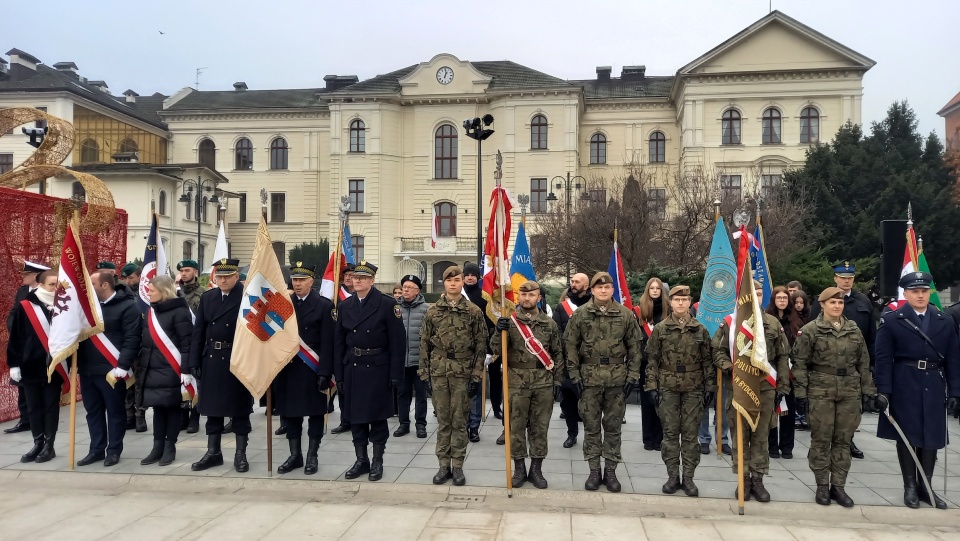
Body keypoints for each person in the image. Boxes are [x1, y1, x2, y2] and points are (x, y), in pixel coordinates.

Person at [875, 272, 959, 509]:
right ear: (906, 294)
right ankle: (910, 486)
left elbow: (953, 358)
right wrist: (884, 391)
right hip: (905, 382)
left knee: (931, 435)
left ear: (930, 292)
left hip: (934, 382)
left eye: (924, 291)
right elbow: (883, 359)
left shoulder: (944, 320)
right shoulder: (892, 320)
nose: (920, 295)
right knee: (908, 435)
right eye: (915, 291)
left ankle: (926, 486)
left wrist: (955, 392)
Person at [793, 287, 878, 507]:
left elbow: (864, 363)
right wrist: (801, 392)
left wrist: (868, 390)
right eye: (832, 303)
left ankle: (838, 486)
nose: (837, 306)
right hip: (821, 389)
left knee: (843, 440)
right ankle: (822, 485)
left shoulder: (853, 330)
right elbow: (800, 364)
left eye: (840, 303)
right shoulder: (811, 330)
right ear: (822, 305)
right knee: (821, 440)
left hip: (849, 390)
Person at [565, 272, 643, 492]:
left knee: (613, 428)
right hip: (588, 379)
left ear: (612, 290)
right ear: (592, 290)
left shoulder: (626, 315)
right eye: (599, 288)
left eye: (607, 287)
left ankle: (610, 471)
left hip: (617, 379)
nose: (603, 291)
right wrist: (574, 375)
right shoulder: (580, 315)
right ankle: (593, 471)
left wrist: (633, 375)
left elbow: (635, 348)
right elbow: (570, 346)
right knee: (591, 428)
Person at [714, 280, 791, 502]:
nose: (755, 298)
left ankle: (758, 479)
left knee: (761, 436)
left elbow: (782, 357)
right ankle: (743, 480)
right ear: (742, 298)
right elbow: (717, 351)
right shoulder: (730, 323)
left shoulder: (773, 323)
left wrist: (783, 386)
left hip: (766, 388)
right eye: (751, 294)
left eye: (759, 294)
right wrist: (730, 368)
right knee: (740, 434)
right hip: (739, 387)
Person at [333, 261, 405, 482]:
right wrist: (339, 374)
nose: (358, 281)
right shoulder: (344, 307)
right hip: (353, 366)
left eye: (363, 278)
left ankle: (377, 460)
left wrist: (396, 375)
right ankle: (361, 460)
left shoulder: (386, 304)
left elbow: (398, 342)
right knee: (356, 418)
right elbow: (339, 343)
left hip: (377, 368)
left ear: (372, 281)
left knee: (377, 418)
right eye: (355, 278)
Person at [492, 281, 564, 489]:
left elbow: (558, 354)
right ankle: (519, 468)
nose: (527, 298)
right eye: (523, 295)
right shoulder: (510, 322)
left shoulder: (549, 324)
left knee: (540, 428)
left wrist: (557, 380)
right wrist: (499, 330)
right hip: (516, 383)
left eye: (531, 295)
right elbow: (496, 349)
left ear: (538, 297)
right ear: (518, 297)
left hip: (543, 383)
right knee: (515, 428)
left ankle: (536, 469)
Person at [420, 265, 488, 486]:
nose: (453, 283)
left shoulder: (473, 311)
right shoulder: (433, 311)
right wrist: (425, 375)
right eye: (449, 280)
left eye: (457, 280)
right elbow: (424, 343)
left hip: (463, 371)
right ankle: (443, 466)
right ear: (444, 283)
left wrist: (476, 375)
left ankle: (457, 466)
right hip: (439, 371)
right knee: (443, 421)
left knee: (459, 421)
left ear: (462, 283)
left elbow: (481, 344)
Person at [645, 285, 715, 497]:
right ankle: (672, 476)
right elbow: (652, 361)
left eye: (684, 300)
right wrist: (651, 386)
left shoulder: (700, 329)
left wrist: (710, 386)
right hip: (668, 388)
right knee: (670, 434)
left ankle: (689, 478)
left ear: (689, 301)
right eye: (677, 300)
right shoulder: (661, 329)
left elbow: (707, 362)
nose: (681, 303)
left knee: (691, 435)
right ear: (671, 303)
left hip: (693, 389)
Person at [189, 258, 253, 473]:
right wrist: (194, 361)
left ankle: (240, 454)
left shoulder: (247, 298)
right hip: (212, 359)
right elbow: (199, 332)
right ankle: (213, 452)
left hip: (238, 358)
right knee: (212, 409)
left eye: (227, 276)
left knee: (240, 409)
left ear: (237, 277)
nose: (223, 280)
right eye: (219, 277)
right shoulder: (209, 298)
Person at [809, 262, 878, 460]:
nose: (847, 280)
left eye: (850, 277)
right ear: (835, 278)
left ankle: (847, 441)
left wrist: (871, 364)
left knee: (849, 412)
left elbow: (871, 335)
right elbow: (812, 331)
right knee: (826, 416)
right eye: (843, 277)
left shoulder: (863, 301)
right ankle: (827, 445)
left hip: (854, 365)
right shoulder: (822, 300)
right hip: (827, 366)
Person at [75, 270, 141, 467]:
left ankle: (113, 450)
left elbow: (132, 339)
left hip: (112, 370)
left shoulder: (128, 306)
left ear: (105, 285)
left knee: (114, 411)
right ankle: (96, 449)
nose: (89, 288)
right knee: (92, 411)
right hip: (87, 369)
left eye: (92, 284)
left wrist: (123, 365)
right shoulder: (87, 307)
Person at [275, 263, 334, 475]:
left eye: (302, 280)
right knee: (290, 414)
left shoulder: (324, 306)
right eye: (295, 280)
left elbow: (329, 343)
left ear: (312, 281)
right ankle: (295, 455)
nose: (297, 284)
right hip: (288, 369)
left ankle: (312, 455)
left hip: (312, 368)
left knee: (316, 414)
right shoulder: (284, 304)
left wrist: (325, 372)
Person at [6, 269, 64, 462]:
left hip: (54, 365)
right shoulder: (26, 305)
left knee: (50, 406)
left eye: (58, 285)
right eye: (51, 284)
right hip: (30, 364)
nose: (55, 288)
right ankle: (37, 443)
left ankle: (49, 445)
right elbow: (16, 336)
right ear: (41, 284)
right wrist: (14, 364)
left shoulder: (65, 306)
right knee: (33, 407)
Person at [139, 275, 194, 467]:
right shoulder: (151, 311)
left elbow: (187, 344)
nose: (148, 293)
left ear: (163, 292)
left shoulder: (180, 312)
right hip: (152, 368)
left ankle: (170, 446)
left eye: (152, 290)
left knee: (171, 408)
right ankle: (157, 446)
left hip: (172, 368)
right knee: (157, 408)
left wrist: (186, 371)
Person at [4, 260, 49, 435]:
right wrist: (13, 328)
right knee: (21, 383)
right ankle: (25, 420)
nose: (23, 277)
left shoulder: (47, 293)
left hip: (39, 345)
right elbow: (14, 313)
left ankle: (41, 420)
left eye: (26, 274)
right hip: (22, 344)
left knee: (37, 386)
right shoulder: (22, 292)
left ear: (36, 276)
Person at [552, 272, 591, 449]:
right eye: (572, 281)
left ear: (586, 286)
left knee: (590, 402)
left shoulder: (594, 305)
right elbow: (557, 334)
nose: (573, 284)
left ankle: (592, 435)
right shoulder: (562, 308)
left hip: (590, 363)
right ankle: (572, 433)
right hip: (569, 362)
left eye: (577, 282)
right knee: (568, 401)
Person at [765, 285, 802, 459]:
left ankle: (786, 446)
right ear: (773, 300)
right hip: (771, 369)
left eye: (785, 298)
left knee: (788, 409)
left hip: (790, 370)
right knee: (772, 409)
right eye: (778, 298)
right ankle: (772, 446)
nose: (782, 301)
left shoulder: (795, 321)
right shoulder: (767, 320)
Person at [462, 262, 497, 442]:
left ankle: (474, 427)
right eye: (467, 274)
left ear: (478, 277)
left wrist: (489, 352)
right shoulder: (454, 295)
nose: (469, 277)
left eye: (473, 275)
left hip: (478, 350)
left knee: (475, 391)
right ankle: (462, 426)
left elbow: (491, 326)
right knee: (461, 392)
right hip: (458, 352)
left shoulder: (484, 297)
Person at [636, 277, 668, 452]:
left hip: (664, 365)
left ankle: (660, 438)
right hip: (646, 364)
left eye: (658, 288)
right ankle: (648, 439)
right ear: (647, 291)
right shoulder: (639, 312)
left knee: (662, 401)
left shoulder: (668, 310)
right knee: (648, 401)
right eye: (652, 288)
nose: (655, 291)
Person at [395, 274, 429, 439]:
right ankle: (403, 424)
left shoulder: (426, 309)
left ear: (418, 291)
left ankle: (421, 425)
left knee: (421, 395)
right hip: (401, 360)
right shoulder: (395, 308)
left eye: (409, 288)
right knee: (402, 393)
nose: (405, 290)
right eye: (404, 287)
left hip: (419, 361)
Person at [330, 263, 355, 435]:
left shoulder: (363, 297)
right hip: (340, 347)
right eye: (345, 275)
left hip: (357, 348)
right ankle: (345, 420)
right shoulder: (334, 298)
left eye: (351, 275)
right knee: (342, 386)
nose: (347, 277)